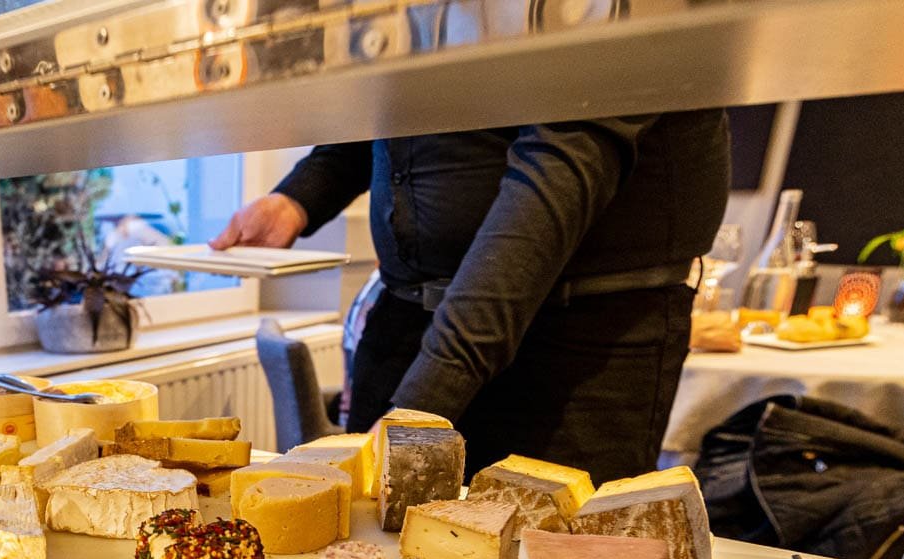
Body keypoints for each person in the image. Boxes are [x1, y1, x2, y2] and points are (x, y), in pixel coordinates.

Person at [211, 112, 731, 483]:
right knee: (370, 556)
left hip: (577, 346)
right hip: (405, 321)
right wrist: (296, 199)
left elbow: (562, 162)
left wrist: (419, 407)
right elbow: (387, 112)